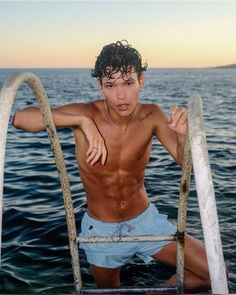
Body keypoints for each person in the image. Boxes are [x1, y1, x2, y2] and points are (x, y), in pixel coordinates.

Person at [12, 40, 210, 291]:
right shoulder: (85, 113)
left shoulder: (152, 115)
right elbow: (20, 119)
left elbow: (185, 164)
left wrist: (183, 135)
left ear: (141, 80)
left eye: (128, 83)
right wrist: (83, 121)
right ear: (100, 86)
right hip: (101, 230)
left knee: (214, 272)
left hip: (146, 221)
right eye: (111, 85)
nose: (120, 95)